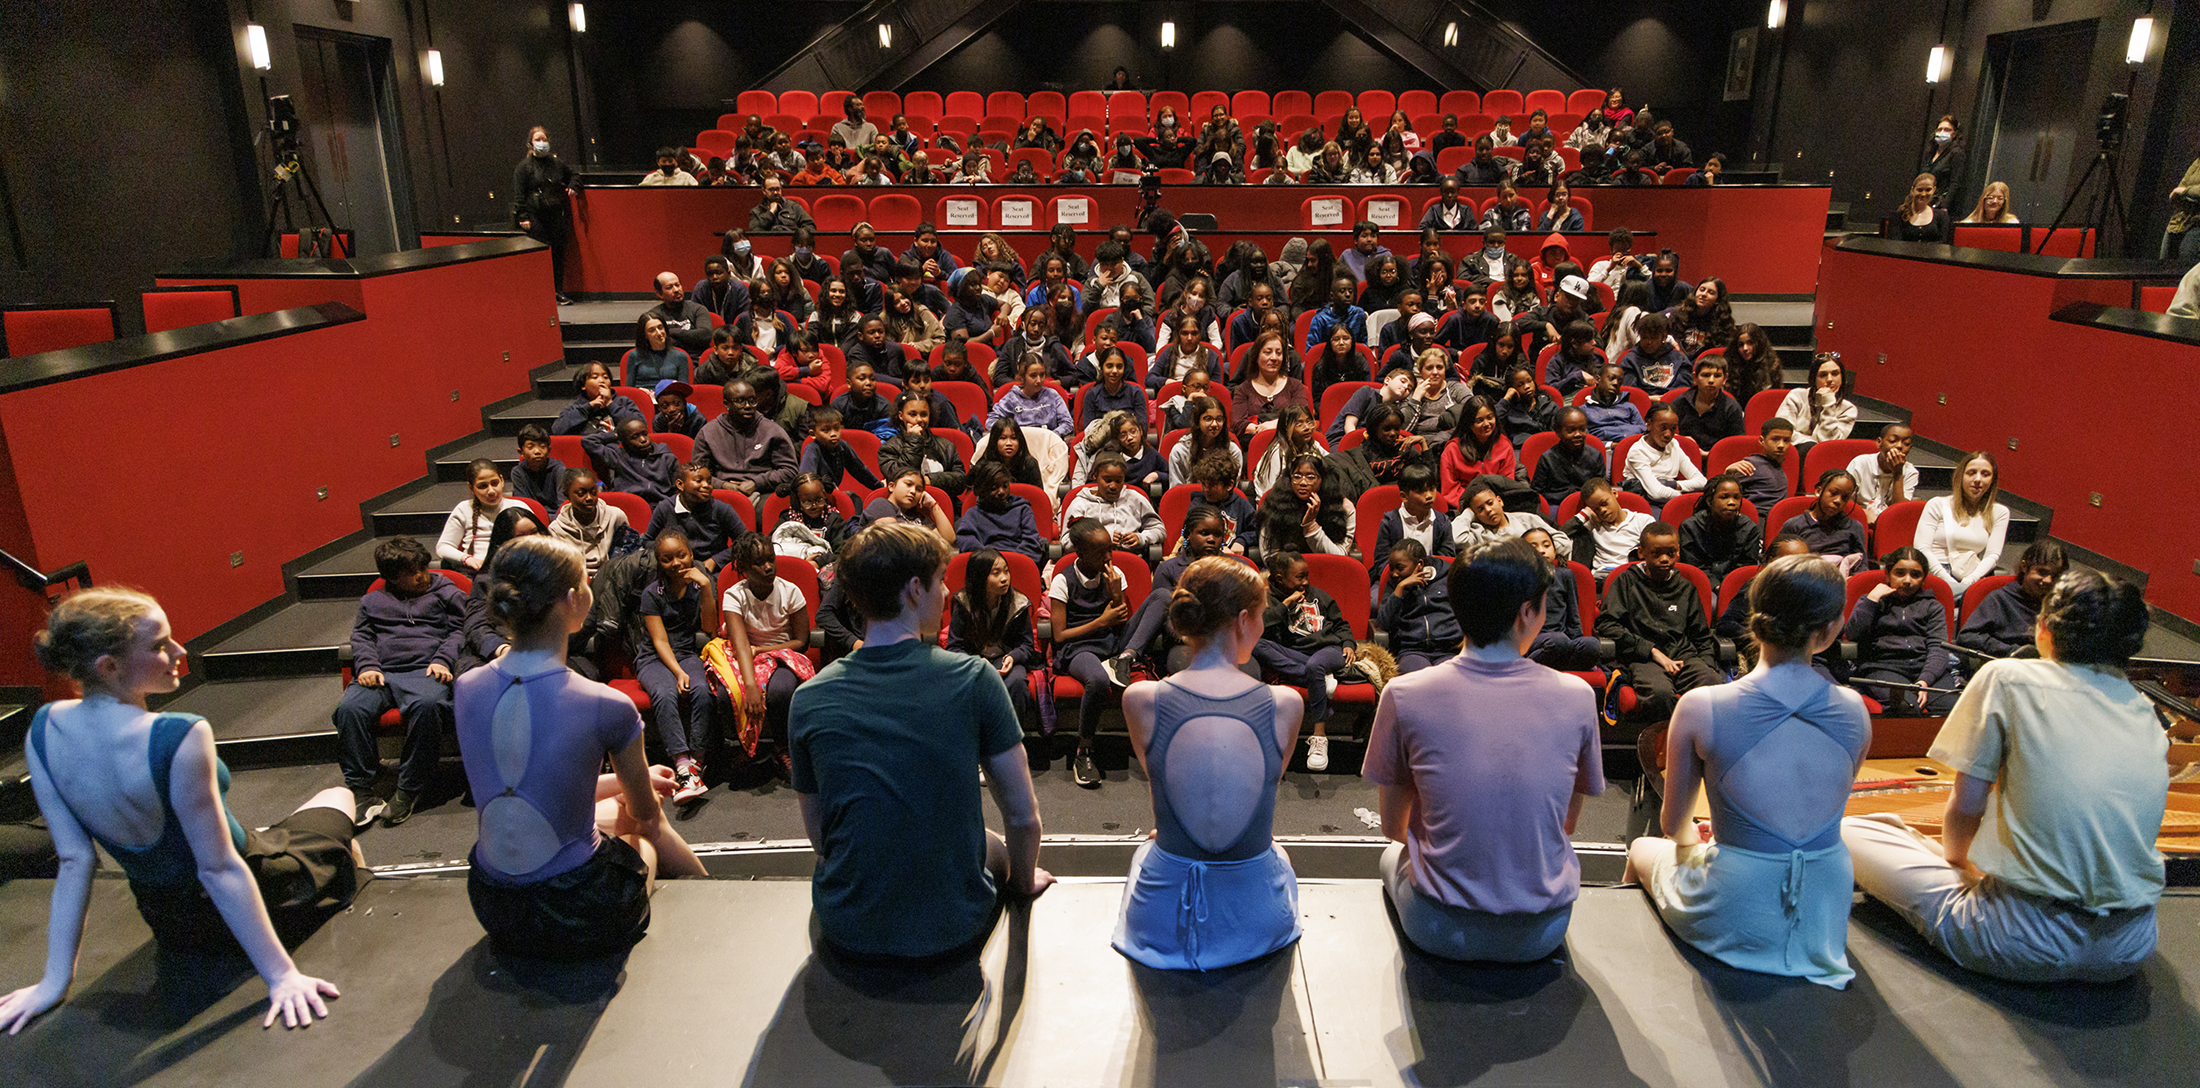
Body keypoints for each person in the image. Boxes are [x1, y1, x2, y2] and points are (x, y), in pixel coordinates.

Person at [1, 588, 363, 1033]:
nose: (179, 651)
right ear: (109, 667)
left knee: (272, 827)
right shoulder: (180, 732)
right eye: (159, 646)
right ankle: (342, 871)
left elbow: (76, 860)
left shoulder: (43, 727)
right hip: (272, 891)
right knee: (337, 797)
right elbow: (219, 869)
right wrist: (282, 975)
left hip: (172, 926)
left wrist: (53, 982)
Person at [1843, 569, 2165, 983]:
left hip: (2019, 941)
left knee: (1852, 831)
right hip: (2129, 948)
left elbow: (1966, 808)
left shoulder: (2008, 677)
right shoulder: (2145, 710)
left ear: (2044, 630)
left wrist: (1961, 868)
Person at [793, 521, 1053, 959]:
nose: (948, 594)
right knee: (991, 844)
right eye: (939, 582)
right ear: (915, 589)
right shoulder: (974, 679)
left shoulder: (808, 697)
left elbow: (823, 839)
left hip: (847, 925)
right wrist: (1023, 882)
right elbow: (1024, 818)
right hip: (952, 926)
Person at [455, 535, 706, 958]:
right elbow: (644, 815)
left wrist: (635, 778)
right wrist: (635, 788)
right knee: (641, 825)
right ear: (574, 599)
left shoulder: (466, 687)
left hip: (493, 903)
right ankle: (712, 895)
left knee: (616, 805)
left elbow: (533, 787)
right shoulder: (607, 704)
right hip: (575, 911)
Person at [1623, 553, 1866, 986]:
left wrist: (1699, 841)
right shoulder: (1855, 709)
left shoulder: (1701, 704)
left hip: (1739, 895)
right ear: (1830, 630)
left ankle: (1639, 974)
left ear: (1755, 626)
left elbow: (1674, 824)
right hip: (1825, 904)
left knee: (1643, 848)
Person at [1365, 538, 1603, 961]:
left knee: (1391, 853)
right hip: (1542, 932)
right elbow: (1565, 825)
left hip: (1438, 929)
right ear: (1528, 612)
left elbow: (1393, 827)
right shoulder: (1579, 695)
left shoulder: (1403, 694)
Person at [1108, 555, 1304, 971]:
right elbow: (1264, 786)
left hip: (1159, 920)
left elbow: (1161, 783)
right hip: (1255, 917)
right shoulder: (1286, 704)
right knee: (1278, 854)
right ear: (1245, 619)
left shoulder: (1139, 699)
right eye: (1263, 616)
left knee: (1149, 849)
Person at [333, 537, 464, 825]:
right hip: (381, 672)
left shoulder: (443, 590)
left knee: (428, 705)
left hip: (427, 670)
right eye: (412, 572)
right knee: (349, 710)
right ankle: (362, 790)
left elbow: (461, 629)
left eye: (423, 568)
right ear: (391, 577)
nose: (422, 576)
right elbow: (362, 637)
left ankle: (408, 788)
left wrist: (443, 659)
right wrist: (367, 665)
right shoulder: (372, 600)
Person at [1598, 521, 1721, 727]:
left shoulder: (1686, 588)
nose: (1665, 559)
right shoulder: (1626, 582)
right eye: (1656, 553)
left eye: (1671, 553)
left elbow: (1701, 635)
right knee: (1660, 694)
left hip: (1683, 657)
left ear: (1678, 553)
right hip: (1644, 658)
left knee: (1714, 687)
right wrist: (1651, 651)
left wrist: (1706, 666)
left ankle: (1701, 749)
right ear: (1641, 553)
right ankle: (1663, 750)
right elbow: (1607, 624)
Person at [1255, 551, 1357, 771]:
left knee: (1316, 665)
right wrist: (1285, 604)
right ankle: (1317, 678)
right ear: (1280, 578)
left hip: (1329, 650)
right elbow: (1260, 627)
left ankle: (1320, 736)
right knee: (1257, 645)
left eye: (1306, 576)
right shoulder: (1266, 599)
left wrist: (1349, 643)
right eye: (1299, 577)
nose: (1305, 582)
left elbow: (1341, 624)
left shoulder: (1318, 595)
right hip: (1298, 654)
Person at [635, 530, 718, 801]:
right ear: (660, 562)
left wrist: (706, 588)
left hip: (687, 653)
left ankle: (697, 762)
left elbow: (710, 627)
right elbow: (659, 640)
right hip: (654, 658)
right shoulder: (652, 592)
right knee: (666, 693)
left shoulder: (702, 583)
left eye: (681, 555)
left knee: (703, 691)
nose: (676, 563)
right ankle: (682, 766)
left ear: (691, 555)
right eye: (667, 559)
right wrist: (678, 671)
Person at [1846, 546, 1956, 716]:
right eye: (1900, 573)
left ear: (1923, 578)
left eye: (1915, 575)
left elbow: (1938, 648)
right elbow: (1853, 634)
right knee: (1908, 708)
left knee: (1953, 709)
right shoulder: (1872, 601)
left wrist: (1925, 679)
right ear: (1888, 575)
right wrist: (1872, 601)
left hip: (1925, 667)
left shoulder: (1933, 607)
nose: (1907, 580)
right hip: (1883, 667)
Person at [1916, 451, 2008, 597]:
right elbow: (1922, 548)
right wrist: (1948, 581)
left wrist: (1969, 582)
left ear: (1992, 480)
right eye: (1971, 473)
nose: (1978, 479)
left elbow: (1992, 555)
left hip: (1971, 574)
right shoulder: (1937, 504)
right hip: (1935, 572)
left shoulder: (1999, 512)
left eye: (1985, 474)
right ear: (1960, 476)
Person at [1957, 539, 2065, 658]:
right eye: (2042, 572)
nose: (2048, 580)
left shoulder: (2059, 605)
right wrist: (2012, 651)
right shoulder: (1999, 599)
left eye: (2055, 576)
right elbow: (1967, 636)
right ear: (2024, 566)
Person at [694, 380, 799, 496]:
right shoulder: (708, 432)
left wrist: (756, 483)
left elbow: (790, 471)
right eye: (740, 401)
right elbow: (698, 473)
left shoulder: (772, 430)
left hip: (763, 491)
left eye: (752, 401)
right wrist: (723, 485)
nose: (748, 406)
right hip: (720, 491)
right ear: (726, 404)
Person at [1520, 527, 1601, 670]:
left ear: (1555, 550)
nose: (1541, 550)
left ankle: (1552, 663)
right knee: (1557, 641)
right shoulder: (1518, 578)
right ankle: (1525, 665)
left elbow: (1573, 616)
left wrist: (1577, 643)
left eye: (1546, 545)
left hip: (1562, 642)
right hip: (1532, 642)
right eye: (1534, 547)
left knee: (1591, 644)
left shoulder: (1565, 575)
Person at [513, 125, 578, 303]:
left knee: (557, 253)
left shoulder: (556, 163)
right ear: (530, 143)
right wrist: (523, 216)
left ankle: (558, 291)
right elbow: (519, 194)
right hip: (535, 215)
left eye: (544, 139)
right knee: (541, 255)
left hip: (555, 214)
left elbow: (574, 175)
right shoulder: (523, 167)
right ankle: (542, 292)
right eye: (538, 139)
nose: (541, 143)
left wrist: (572, 186)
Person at [1377, 540, 1460, 672]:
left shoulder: (1448, 578)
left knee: (1449, 681)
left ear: (1419, 564)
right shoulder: (1394, 585)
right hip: (1412, 651)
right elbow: (1383, 623)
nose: (1394, 573)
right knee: (1420, 681)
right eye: (1391, 567)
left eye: (1400, 568)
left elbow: (1467, 611)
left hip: (1447, 650)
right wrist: (1400, 589)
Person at [438, 459, 531, 571]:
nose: (491, 491)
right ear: (471, 488)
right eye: (483, 486)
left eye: (494, 483)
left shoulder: (519, 507)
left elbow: (541, 541)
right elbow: (443, 547)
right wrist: (467, 558)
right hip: (476, 571)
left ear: (502, 481)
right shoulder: (464, 509)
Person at [1063, 453, 1163, 551]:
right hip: (1093, 562)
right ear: (1095, 476)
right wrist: (1101, 539)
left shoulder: (1135, 499)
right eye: (1107, 480)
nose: (1113, 486)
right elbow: (1066, 542)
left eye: (1118, 481)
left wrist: (1141, 538)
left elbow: (1159, 529)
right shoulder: (1080, 504)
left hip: (1130, 560)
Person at [1677, 474, 1763, 585]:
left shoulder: (1749, 528)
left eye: (1736, 497)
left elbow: (1745, 567)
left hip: (1735, 584)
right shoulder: (1690, 527)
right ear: (1709, 501)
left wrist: (1727, 586)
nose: (1732, 502)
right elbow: (1694, 567)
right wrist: (1716, 586)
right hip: (1700, 583)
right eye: (1724, 497)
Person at [955, 461, 1045, 565]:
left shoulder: (1022, 509)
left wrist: (1011, 563)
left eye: (1005, 486)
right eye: (994, 488)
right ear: (981, 490)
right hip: (985, 566)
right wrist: (992, 562)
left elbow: (1031, 543)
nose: (1001, 491)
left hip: (1020, 564)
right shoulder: (972, 514)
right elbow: (968, 543)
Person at [583, 418, 678, 507]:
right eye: (635, 437)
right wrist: (615, 435)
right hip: (628, 505)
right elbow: (588, 441)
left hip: (660, 505)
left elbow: (677, 490)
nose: (643, 440)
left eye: (645, 433)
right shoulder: (618, 456)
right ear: (624, 442)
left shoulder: (666, 456)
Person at [1781, 471, 1867, 565]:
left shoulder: (1854, 527)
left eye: (1845, 497)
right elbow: (1780, 565)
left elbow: (1861, 566)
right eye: (1834, 493)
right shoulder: (1795, 525)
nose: (1838, 501)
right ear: (1819, 491)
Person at [1531, 407, 1606, 509]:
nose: (1578, 434)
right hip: (1555, 505)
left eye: (1582, 429)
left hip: (1588, 505)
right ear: (1558, 432)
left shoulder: (1595, 455)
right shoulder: (1547, 458)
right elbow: (1537, 493)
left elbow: (1602, 488)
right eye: (1571, 430)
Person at [1776, 353, 1856, 446]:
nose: (1830, 379)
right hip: (1792, 449)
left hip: (1824, 456)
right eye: (1823, 375)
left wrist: (1829, 403)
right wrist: (1811, 443)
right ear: (1814, 379)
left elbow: (1828, 442)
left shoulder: (1848, 409)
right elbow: (1781, 431)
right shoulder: (1797, 396)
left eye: (1835, 374)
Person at [1845, 423, 1918, 520]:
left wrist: (1898, 473)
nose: (1899, 446)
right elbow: (1845, 501)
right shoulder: (1860, 463)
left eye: (1906, 443)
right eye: (1893, 441)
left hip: (1890, 520)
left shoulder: (1910, 472)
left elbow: (1900, 511)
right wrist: (1864, 514)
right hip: (1857, 516)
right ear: (1879, 442)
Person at [1724, 416, 1796, 514]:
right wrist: (1727, 473)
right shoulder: (1751, 465)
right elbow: (1722, 495)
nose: (1781, 445)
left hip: (1777, 519)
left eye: (1786, 440)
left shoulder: (1779, 466)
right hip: (1757, 519)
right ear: (1762, 440)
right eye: (1775, 439)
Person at [1672, 355, 1743, 448]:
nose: (1711, 380)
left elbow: (1735, 446)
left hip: (1717, 459)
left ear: (1725, 379)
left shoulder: (1731, 408)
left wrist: (1708, 455)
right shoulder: (1681, 402)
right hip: (1683, 456)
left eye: (1717, 376)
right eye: (1705, 375)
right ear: (1695, 377)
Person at [646, 271, 717, 356]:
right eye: (669, 287)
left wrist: (669, 332)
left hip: (696, 361)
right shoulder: (654, 315)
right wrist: (690, 338)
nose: (676, 290)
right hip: (667, 361)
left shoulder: (698, 309)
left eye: (677, 285)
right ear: (659, 294)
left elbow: (705, 335)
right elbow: (652, 343)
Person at [508, 423, 567, 514]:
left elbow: (563, 506)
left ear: (549, 450)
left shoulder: (559, 469)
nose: (537, 451)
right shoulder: (518, 472)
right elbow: (523, 506)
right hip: (532, 518)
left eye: (542, 446)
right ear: (521, 452)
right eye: (531, 447)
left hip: (558, 519)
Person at [1580, 363, 1646, 444]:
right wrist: (1611, 445)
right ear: (1597, 379)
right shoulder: (1583, 411)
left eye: (1620, 381)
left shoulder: (1629, 406)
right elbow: (1586, 440)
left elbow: (1643, 431)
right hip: (1605, 451)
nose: (1616, 383)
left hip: (1634, 447)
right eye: (1611, 378)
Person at [1890, 172, 1952, 243]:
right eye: (1919, 190)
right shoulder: (1899, 215)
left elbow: (1944, 244)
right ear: (1912, 190)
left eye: (1928, 190)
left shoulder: (1942, 216)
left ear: (1934, 190)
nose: (1923, 194)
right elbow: (1895, 245)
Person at [1922, 115, 1965, 208]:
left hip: (1940, 205)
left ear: (1954, 134)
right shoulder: (1931, 152)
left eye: (1947, 130)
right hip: (1924, 201)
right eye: (1939, 129)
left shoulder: (1956, 153)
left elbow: (1955, 183)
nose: (1942, 132)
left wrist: (1944, 206)